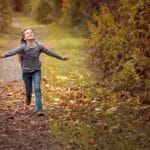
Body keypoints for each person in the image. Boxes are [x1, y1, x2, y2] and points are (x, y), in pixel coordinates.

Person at [0, 28, 69, 116]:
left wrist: (62, 57)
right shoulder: (23, 47)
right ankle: (28, 97)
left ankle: (39, 110)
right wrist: (3, 55)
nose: (30, 34)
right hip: (26, 73)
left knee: (37, 89)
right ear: (24, 38)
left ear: (34, 35)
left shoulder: (39, 46)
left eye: (31, 32)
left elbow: (50, 52)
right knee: (29, 91)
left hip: (36, 70)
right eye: (27, 33)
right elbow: (13, 51)